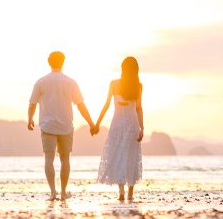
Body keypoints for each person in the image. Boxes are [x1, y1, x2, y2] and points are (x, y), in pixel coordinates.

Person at [28, 51, 97, 201]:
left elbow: (32, 104)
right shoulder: (70, 82)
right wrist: (91, 123)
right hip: (65, 125)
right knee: (65, 159)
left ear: (49, 62)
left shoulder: (41, 82)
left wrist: (30, 119)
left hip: (47, 125)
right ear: (63, 62)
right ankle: (63, 192)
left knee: (49, 158)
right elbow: (80, 105)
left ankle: (53, 192)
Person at [93, 56, 144, 202]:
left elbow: (107, 105)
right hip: (132, 124)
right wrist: (142, 128)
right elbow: (139, 109)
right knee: (131, 157)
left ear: (122, 68)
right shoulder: (138, 85)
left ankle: (121, 192)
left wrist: (97, 123)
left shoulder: (114, 84)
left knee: (119, 155)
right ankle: (130, 193)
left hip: (117, 124)